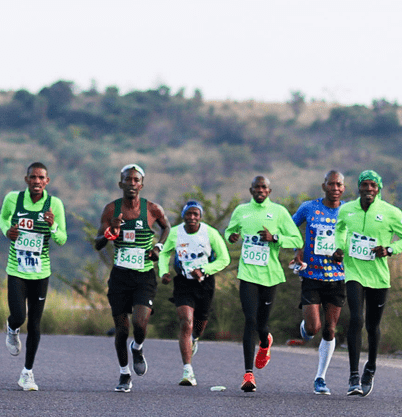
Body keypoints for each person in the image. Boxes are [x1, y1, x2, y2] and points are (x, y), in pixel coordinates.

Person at [333, 170, 402, 397]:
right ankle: (353, 376)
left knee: (372, 325)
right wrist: (339, 247)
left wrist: (389, 250)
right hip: (354, 272)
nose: (369, 189)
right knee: (356, 319)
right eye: (365, 185)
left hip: (379, 276)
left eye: (373, 185)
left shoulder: (390, 212)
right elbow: (339, 229)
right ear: (358, 187)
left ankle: (370, 367)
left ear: (378, 188)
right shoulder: (347, 209)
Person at [95, 164, 170, 393]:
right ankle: (124, 374)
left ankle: (137, 347)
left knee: (139, 323)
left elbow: (167, 228)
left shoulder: (152, 209)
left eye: (136, 180)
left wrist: (158, 247)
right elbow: (97, 244)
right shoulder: (111, 210)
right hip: (120, 277)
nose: (132, 184)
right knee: (121, 329)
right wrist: (111, 231)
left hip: (144, 276)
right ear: (121, 184)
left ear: (142, 185)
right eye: (128, 180)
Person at [224, 175, 303, 392]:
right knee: (249, 319)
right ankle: (248, 374)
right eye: (256, 187)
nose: (260, 190)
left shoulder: (279, 212)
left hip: (270, 276)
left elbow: (297, 240)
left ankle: (265, 341)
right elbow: (230, 231)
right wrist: (231, 237)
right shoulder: (241, 211)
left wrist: (275, 238)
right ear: (251, 190)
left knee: (261, 324)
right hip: (248, 274)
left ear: (269, 191)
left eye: (264, 187)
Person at [0, 162, 67, 391]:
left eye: (41, 178)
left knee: (35, 324)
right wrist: (7, 230)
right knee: (19, 316)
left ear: (47, 181)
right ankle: (12, 327)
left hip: (40, 272)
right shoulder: (13, 199)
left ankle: (27, 373)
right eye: (33, 177)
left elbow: (62, 238)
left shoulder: (54, 204)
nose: (37, 181)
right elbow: (2, 218)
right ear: (26, 179)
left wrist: (53, 225)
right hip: (16, 269)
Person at [158, 200, 231, 386]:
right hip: (183, 283)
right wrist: (163, 272)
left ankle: (195, 338)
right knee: (185, 322)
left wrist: (205, 270)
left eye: (195, 214)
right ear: (183, 216)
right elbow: (165, 253)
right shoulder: (175, 233)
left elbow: (224, 258)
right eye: (188, 214)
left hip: (204, 283)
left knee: (199, 324)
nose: (191, 218)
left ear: (200, 217)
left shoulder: (210, 233)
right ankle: (187, 370)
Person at [291, 170, 346, 395]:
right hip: (312, 275)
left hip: (338, 276)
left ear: (343, 188)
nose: (335, 188)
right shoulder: (308, 208)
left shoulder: (348, 211)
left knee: (330, 329)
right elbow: (291, 226)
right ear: (323, 186)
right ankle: (305, 328)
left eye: (339, 185)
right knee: (314, 328)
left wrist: (344, 253)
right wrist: (298, 249)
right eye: (331, 184)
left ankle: (320, 378)